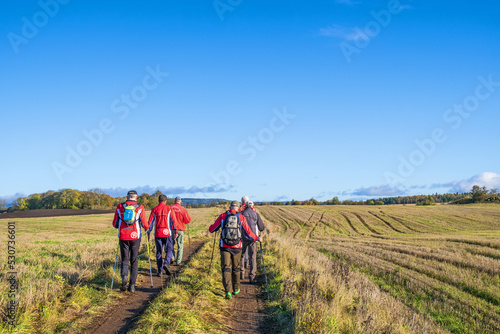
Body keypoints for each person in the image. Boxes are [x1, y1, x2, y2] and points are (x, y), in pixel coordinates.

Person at [209, 201, 259, 300]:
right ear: (238, 208)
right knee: (236, 268)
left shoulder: (223, 216)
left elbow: (212, 229)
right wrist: (257, 238)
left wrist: (212, 226)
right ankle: (235, 289)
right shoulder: (241, 217)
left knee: (226, 268)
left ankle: (228, 291)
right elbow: (248, 232)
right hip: (237, 247)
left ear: (230, 207)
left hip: (224, 246)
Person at [112, 190, 149, 292]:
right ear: (136, 197)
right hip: (135, 236)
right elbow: (144, 223)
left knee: (124, 259)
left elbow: (114, 224)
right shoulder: (140, 207)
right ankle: (132, 285)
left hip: (123, 236)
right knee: (134, 260)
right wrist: (147, 229)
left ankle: (124, 277)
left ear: (127, 197)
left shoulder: (120, 206)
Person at [147, 194, 178, 276]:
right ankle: (166, 263)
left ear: (158, 200)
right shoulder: (169, 208)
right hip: (167, 233)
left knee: (159, 252)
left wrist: (148, 232)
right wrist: (176, 231)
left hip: (157, 233)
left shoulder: (154, 209)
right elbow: (173, 221)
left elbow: (150, 222)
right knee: (169, 249)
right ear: (165, 201)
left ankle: (160, 270)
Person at [240, 201, 265, 283]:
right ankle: (252, 277)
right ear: (253, 206)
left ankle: (241, 272)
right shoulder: (256, 214)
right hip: (253, 239)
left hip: (242, 237)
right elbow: (261, 227)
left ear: (246, 206)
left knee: (241, 255)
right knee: (253, 257)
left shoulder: (241, 213)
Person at [171, 196, 191, 265]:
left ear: (174, 201)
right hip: (180, 229)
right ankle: (178, 261)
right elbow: (188, 220)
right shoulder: (183, 209)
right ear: (180, 201)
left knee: (171, 245)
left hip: (171, 229)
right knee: (180, 246)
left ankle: (172, 259)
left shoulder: (170, 208)